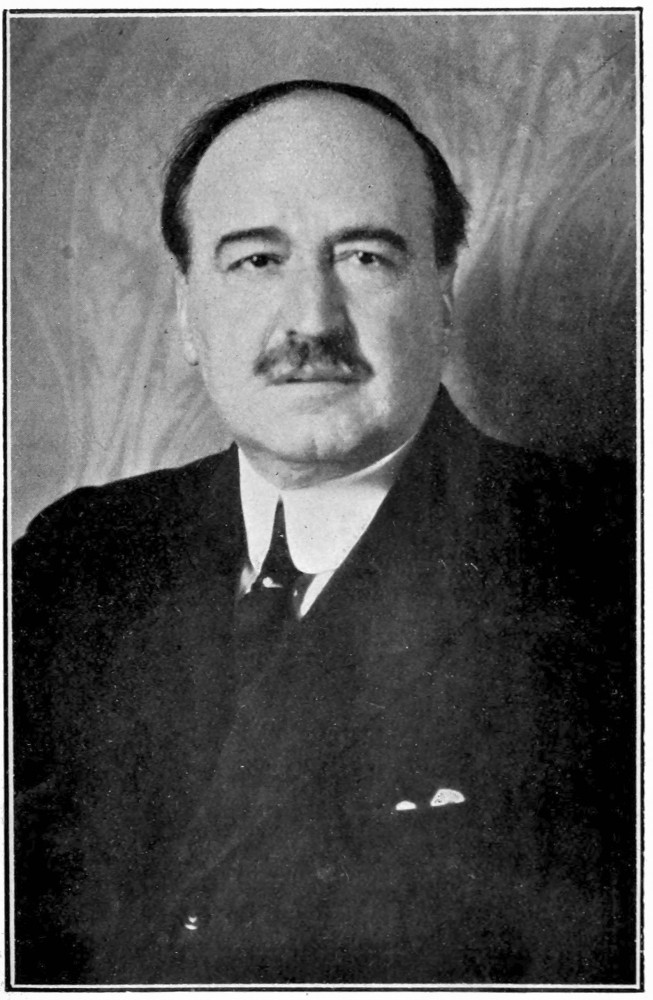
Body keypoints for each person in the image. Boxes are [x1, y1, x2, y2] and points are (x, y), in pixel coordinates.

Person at [12, 79, 636, 986]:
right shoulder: (77, 556)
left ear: (441, 294)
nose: (311, 320)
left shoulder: (610, 561)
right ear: (187, 312)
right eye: (256, 261)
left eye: (365, 257)